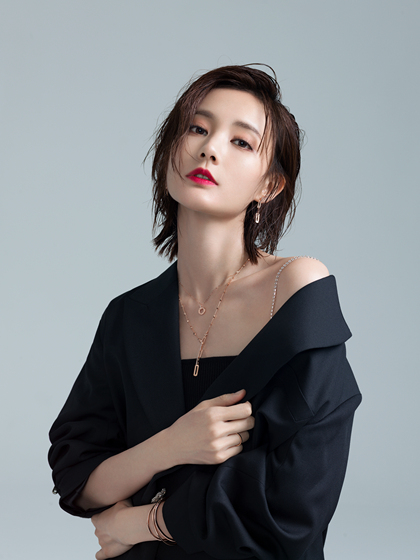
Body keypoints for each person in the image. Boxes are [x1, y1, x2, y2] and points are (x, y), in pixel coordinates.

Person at [48, 64, 361, 560]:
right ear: (170, 149)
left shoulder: (296, 289)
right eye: (197, 128)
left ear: (270, 186)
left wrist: (136, 523)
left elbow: (294, 502)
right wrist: (170, 445)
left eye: (241, 142)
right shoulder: (128, 316)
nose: (210, 148)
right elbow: (79, 481)